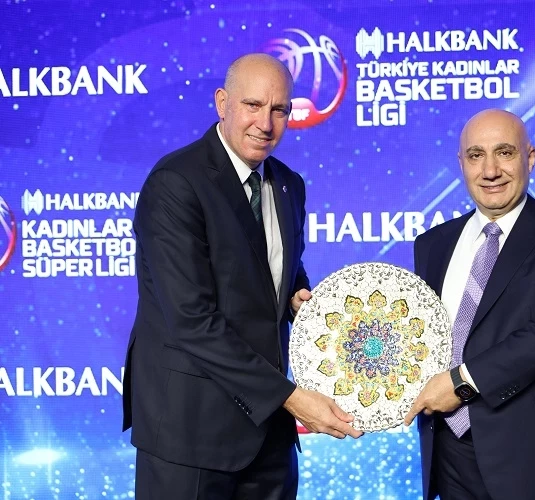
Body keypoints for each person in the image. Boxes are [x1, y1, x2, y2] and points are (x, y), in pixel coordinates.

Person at [122, 53, 362, 499]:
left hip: (268, 435)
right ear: (222, 103)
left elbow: (277, 268)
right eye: (253, 105)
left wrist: (297, 296)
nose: (265, 124)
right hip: (190, 433)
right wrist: (291, 398)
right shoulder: (176, 182)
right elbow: (192, 320)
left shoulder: (289, 184)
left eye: (279, 110)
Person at [404, 109, 535, 500]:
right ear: (462, 163)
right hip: (448, 454)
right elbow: (421, 337)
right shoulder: (432, 244)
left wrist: (461, 383)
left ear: (529, 158)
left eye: (504, 153)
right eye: (476, 155)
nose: (490, 170)